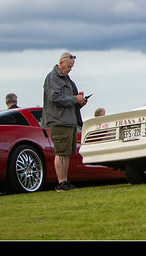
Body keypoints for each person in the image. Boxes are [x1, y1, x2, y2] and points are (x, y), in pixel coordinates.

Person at [42, 52, 87, 192]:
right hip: (59, 121)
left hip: (69, 120)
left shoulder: (67, 79)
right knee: (61, 152)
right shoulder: (53, 77)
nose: (70, 69)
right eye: (68, 67)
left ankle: (65, 181)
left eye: (71, 67)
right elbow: (55, 98)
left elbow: (67, 99)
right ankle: (61, 182)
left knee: (66, 152)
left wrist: (79, 102)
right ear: (61, 63)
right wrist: (74, 99)